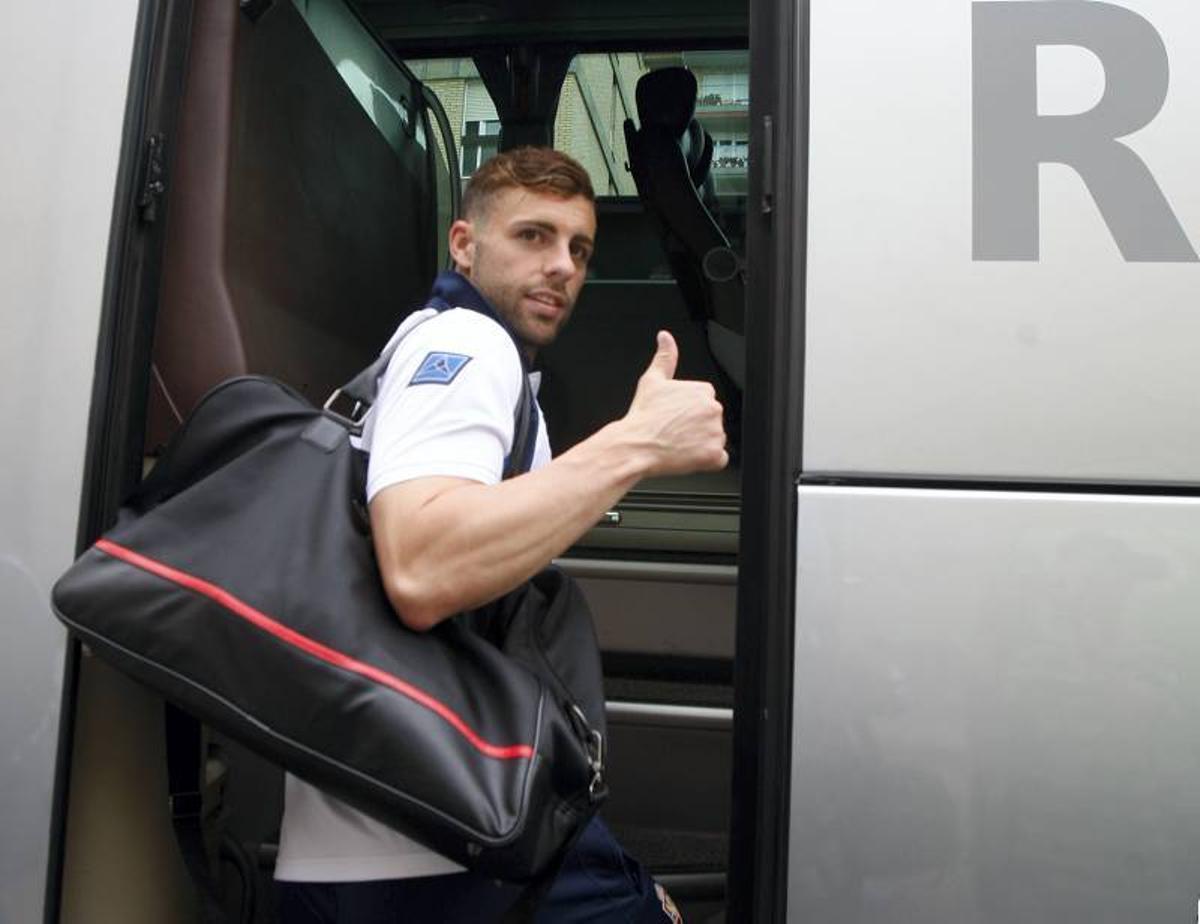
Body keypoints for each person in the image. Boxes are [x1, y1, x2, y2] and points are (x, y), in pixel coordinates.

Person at [275, 146, 726, 922]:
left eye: (579, 249)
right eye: (533, 236)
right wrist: (637, 444)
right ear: (464, 244)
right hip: (431, 843)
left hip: (408, 825)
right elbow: (422, 567)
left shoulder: (441, 346)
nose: (562, 266)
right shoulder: (467, 346)